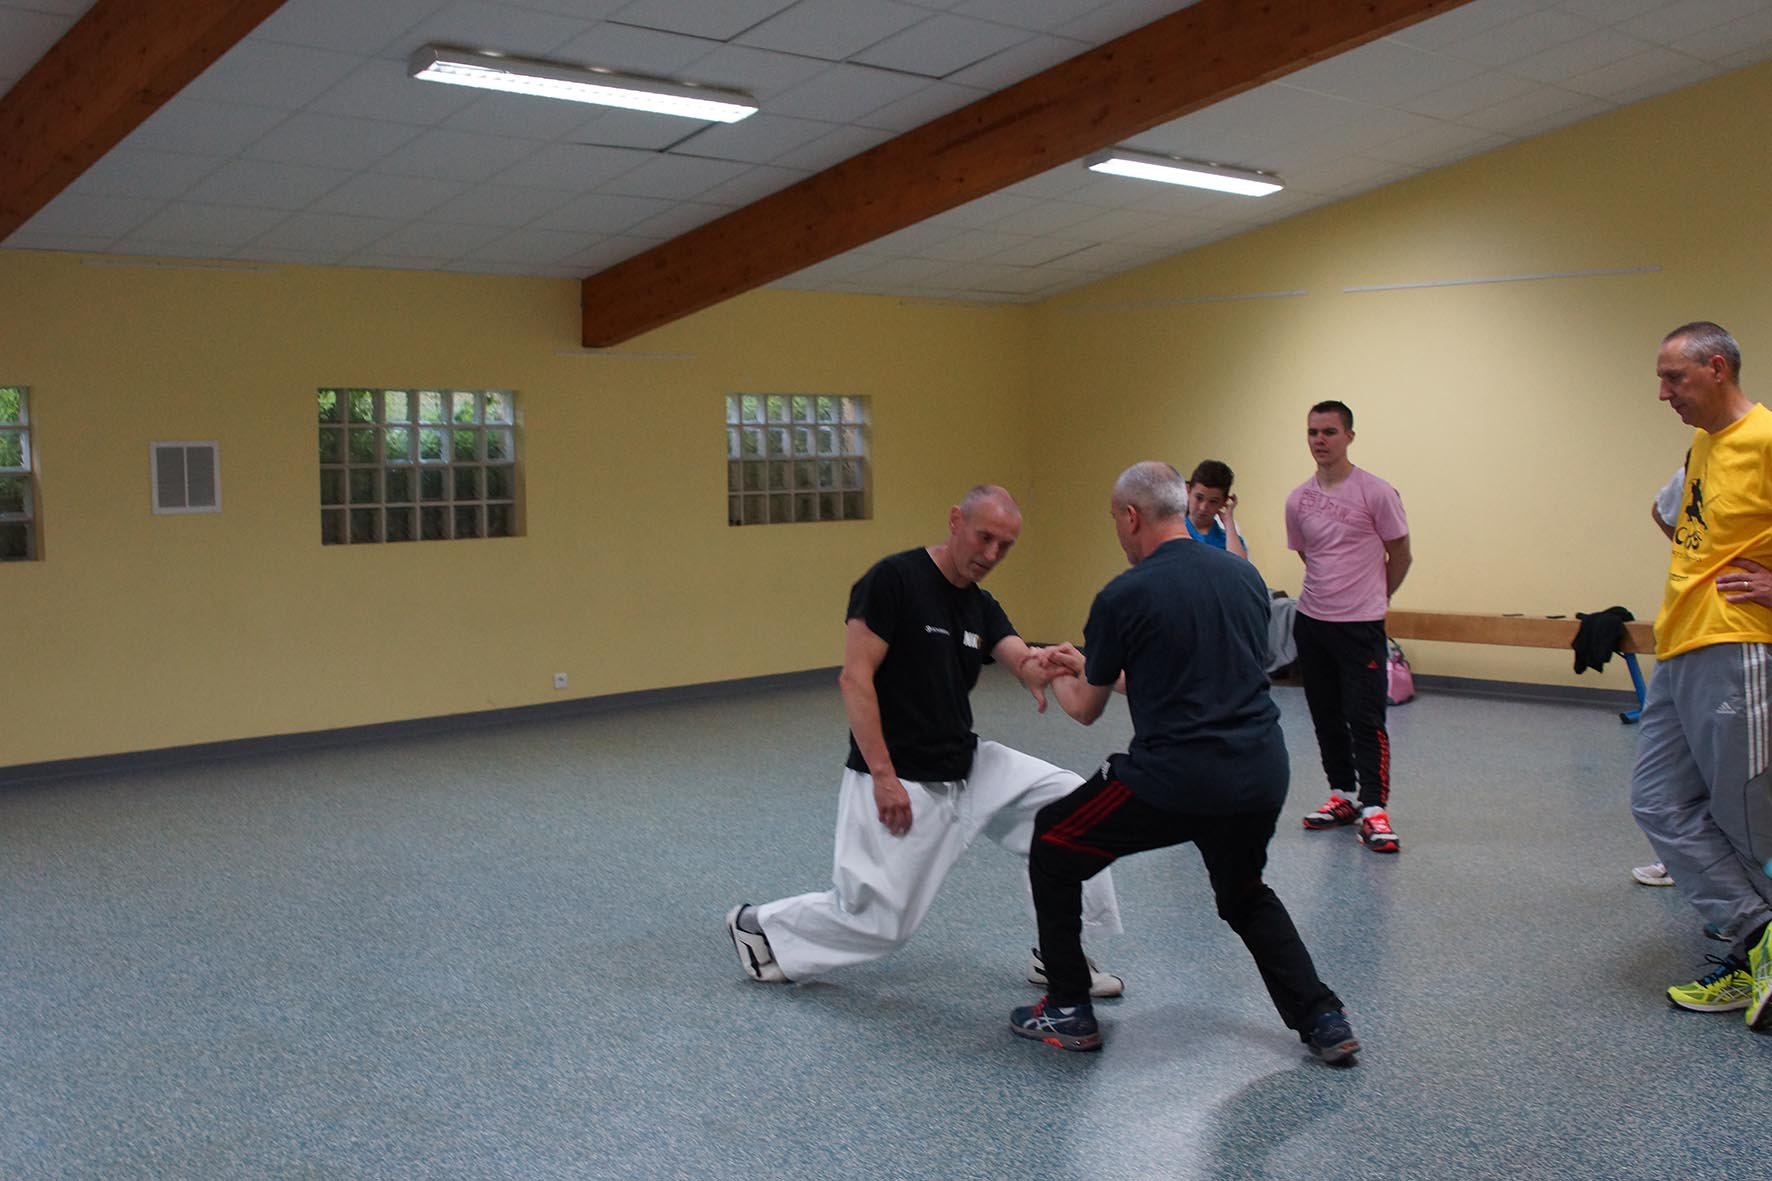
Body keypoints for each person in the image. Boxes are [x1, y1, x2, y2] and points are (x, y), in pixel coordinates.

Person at [1008, 462, 1357, 1065]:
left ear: (1130, 517)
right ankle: (1323, 1019)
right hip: (1259, 771)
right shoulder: (1243, 576)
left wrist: (1056, 670)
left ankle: (1067, 1008)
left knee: (1053, 840)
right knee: (1244, 893)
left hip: (1175, 779)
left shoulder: (1123, 594)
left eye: (1115, 520)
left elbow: (1086, 709)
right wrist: (1089, 663)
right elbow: (1184, 673)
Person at [724, 485, 1125, 998]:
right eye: (984, 538)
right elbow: (854, 679)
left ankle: (1060, 954)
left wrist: (1049, 664)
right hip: (901, 771)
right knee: (879, 924)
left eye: (1005, 546)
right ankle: (760, 927)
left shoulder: (979, 605)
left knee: (1071, 803)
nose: (992, 555)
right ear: (956, 520)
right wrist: (884, 777)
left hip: (967, 762)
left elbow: (1020, 659)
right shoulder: (893, 581)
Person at [1629, 322, 1772, 1028]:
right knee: (1657, 802)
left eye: (1674, 378)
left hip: (1737, 643)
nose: (1663, 394)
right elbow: (1672, 518)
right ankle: (1759, 937)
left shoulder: (1765, 438)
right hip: (1680, 642)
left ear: (1717, 368)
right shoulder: (1703, 446)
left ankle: (1756, 959)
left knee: (1745, 816)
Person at [1285, 401, 1411, 853]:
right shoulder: (1298, 500)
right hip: (1313, 623)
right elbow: (1310, 555)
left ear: (1349, 437)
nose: (1320, 440)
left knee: (1365, 716)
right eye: (1313, 432)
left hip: (1361, 626)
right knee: (1325, 715)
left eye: (1329, 432)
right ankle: (1342, 794)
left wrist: (1376, 597)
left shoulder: (1376, 493)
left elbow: (1401, 555)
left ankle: (1374, 808)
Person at [1633, 462, 1686, 890]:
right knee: (1657, 790)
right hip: (1685, 636)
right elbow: (1662, 510)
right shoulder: (1700, 456)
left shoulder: (1759, 445)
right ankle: (1685, 862)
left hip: (1747, 640)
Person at [1184, 459, 1247, 558]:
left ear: (1223, 502)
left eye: (1213, 501)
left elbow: (1240, 565)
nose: (1203, 508)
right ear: (1188, 492)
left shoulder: (1228, 540)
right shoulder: (1171, 532)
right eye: (1199, 498)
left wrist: (1228, 521)